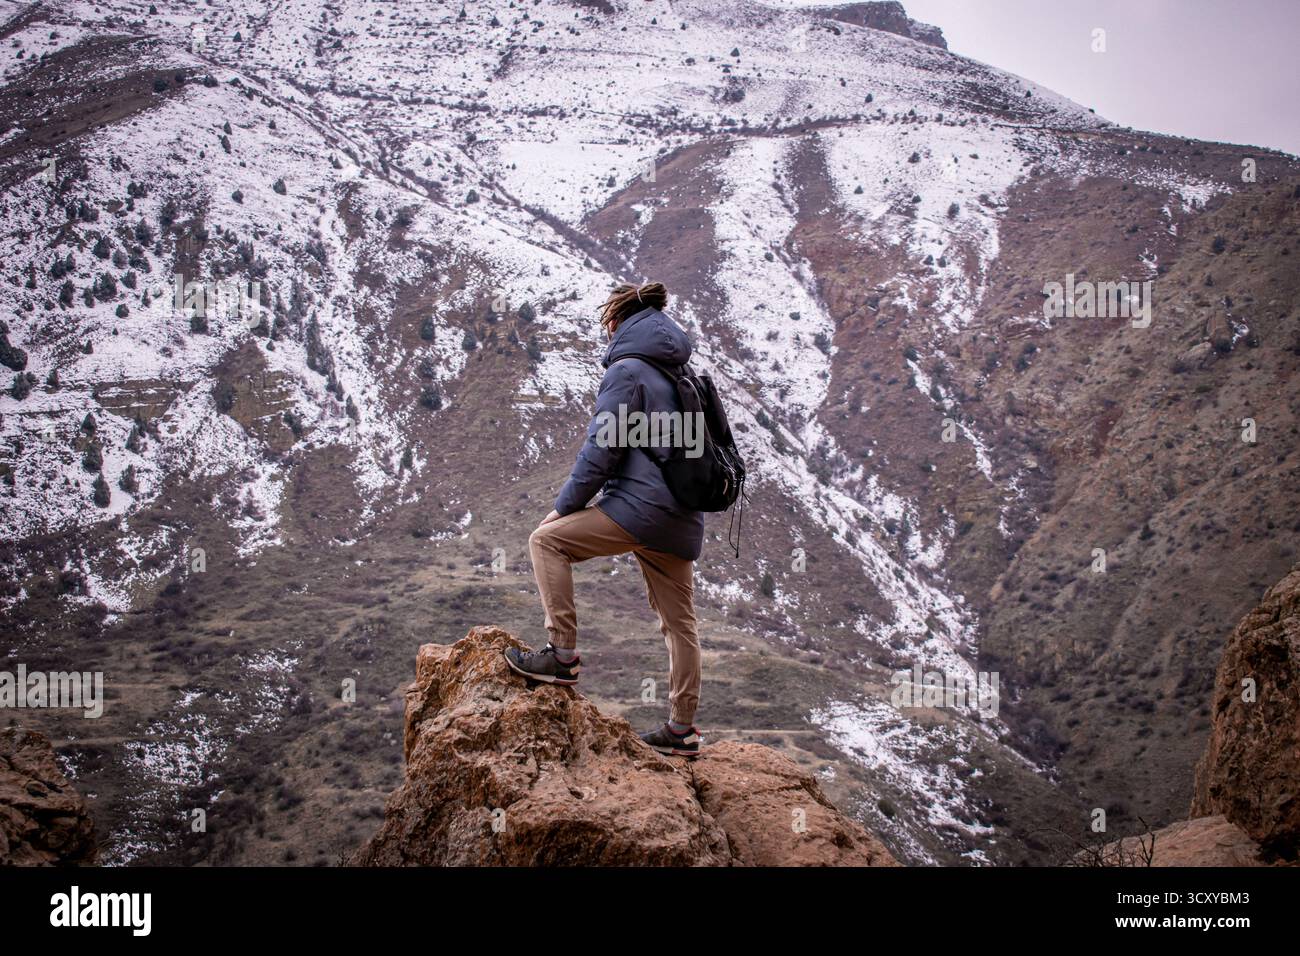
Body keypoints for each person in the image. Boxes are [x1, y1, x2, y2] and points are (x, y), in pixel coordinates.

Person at [505, 281, 705, 757]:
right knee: (680, 624)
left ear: (616, 323)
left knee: (546, 541)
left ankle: (562, 655)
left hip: (638, 509)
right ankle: (682, 730)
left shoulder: (628, 370)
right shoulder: (682, 372)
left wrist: (564, 507)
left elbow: (602, 449)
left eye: (605, 325)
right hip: (681, 517)